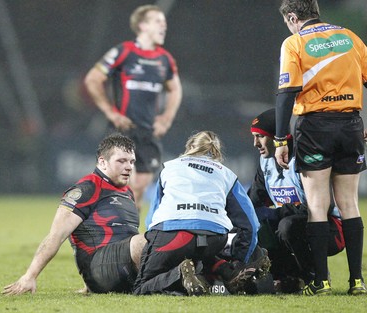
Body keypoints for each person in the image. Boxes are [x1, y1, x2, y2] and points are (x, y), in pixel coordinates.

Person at [274, 0, 367, 295]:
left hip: (314, 127)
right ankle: (357, 281)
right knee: (350, 204)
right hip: (351, 124)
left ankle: (321, 282)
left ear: (292, 17)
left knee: (317, 205)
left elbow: (287, 93)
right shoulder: (349, 37)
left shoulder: (295, 42)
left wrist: (279, 139)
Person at [2, 134, 146, 295]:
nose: (129, 167)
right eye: (121, 161)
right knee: (149, 240)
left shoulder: (127, 192)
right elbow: (55, 236)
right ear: (102, 162)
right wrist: (29, 276)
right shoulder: (86, 189)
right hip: (100, 273)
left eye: (132, 161)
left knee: (168, 240)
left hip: (124, 270)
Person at [133, 131, 270, 296]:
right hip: (214, 238)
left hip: (173, 235)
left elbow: (151, 219)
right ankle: (227, 270)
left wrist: (155, 247)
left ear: (190, 147)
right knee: (198, 252)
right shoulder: (227, 174)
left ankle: (180, 274)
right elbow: (250, 225)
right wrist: (239, 260)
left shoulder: (169, 167)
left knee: (142, 287)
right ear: (216, 152)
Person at [84, 5, 182, 211]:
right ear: (142, 25)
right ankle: (106, 230)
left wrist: (166, 118)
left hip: (148, 132)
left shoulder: (165, 59)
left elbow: (175, 89)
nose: (164, 26)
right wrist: (110, 112)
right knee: (121, 184)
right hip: (123, 129)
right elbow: (93, 79)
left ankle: (128, 235)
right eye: (158, 21)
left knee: (139, 187)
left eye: (164, 22)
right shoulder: (124, 52)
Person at [248, 108, 345, 293]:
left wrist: (276, 213)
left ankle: (316, 277)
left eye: (260, 137)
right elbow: (252, 201)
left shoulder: (304, 159)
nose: (255, 143)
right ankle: (287, 276)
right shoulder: (265, 162)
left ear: (277, 138)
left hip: (329, 229)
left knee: (287, 225)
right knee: (257, 224)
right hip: (292, 225)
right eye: (254, 137)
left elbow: (323, 206)